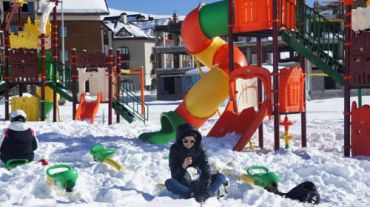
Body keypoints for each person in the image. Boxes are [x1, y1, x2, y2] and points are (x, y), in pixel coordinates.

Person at [165, 124, 228, 202]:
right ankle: (193, 194)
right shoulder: (174, 150)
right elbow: (174, 176)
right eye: (185, 141)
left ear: (195, 140)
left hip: (200, 180)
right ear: (180, 140)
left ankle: (207, 194)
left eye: (192, 141)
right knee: (169, 183)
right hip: (185, 183)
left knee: (221, 176)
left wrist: (207, 186)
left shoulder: (200, 148)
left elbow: (206, 168)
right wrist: (183, 166)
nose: (189, 143)